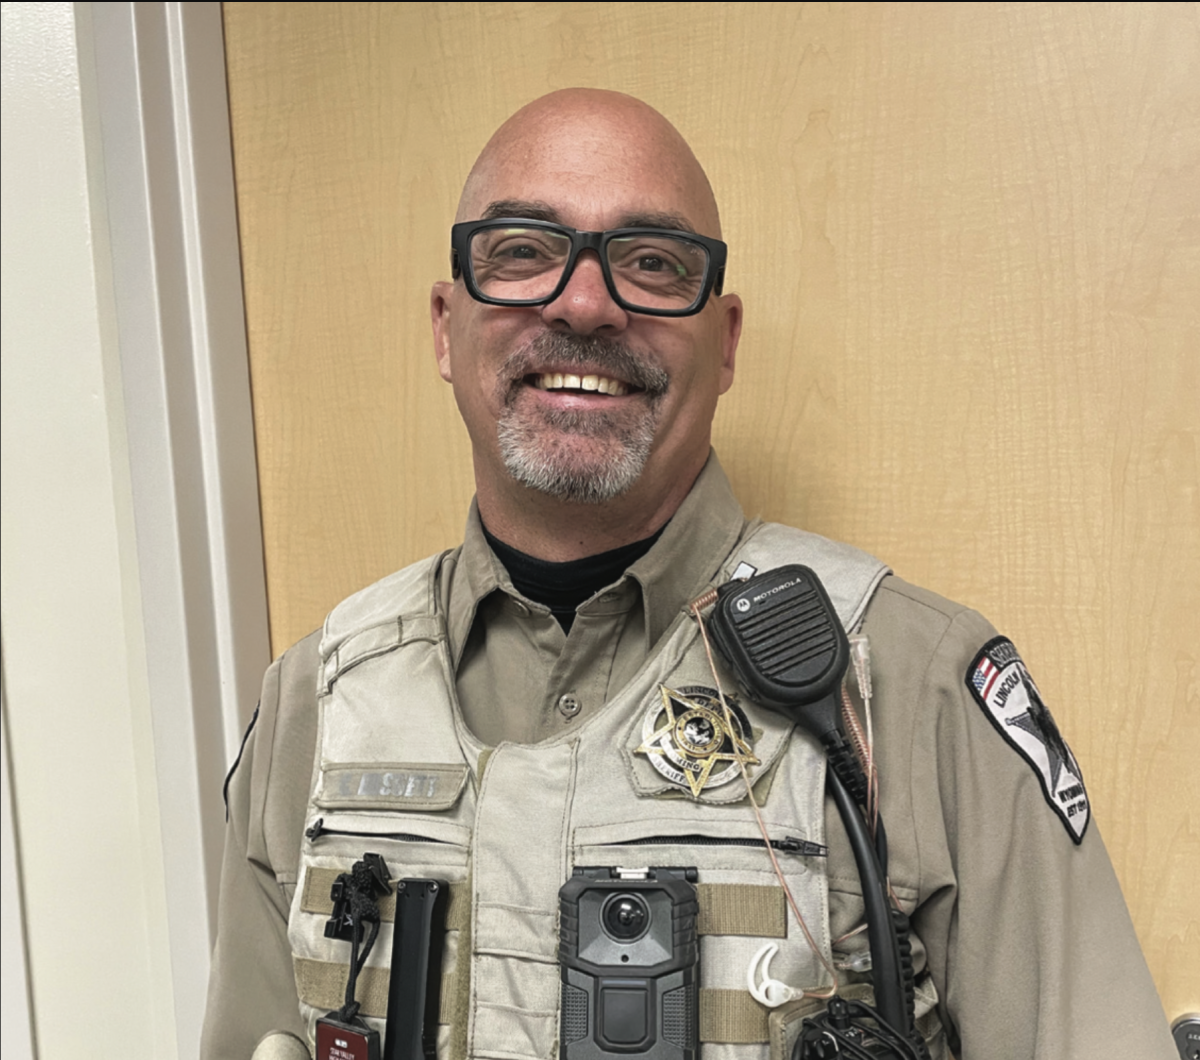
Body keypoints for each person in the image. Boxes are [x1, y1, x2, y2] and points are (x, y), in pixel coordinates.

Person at [201, 89, 1175, 1060]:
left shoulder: (916, 687)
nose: (584, 303)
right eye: (523, 251)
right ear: (444, 325)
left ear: (728, 340)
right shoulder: (315, 708)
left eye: (653, 263)